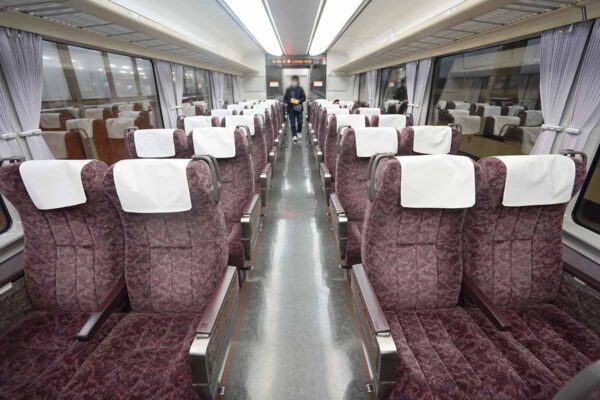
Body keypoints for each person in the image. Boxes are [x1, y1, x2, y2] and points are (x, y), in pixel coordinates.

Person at [283, 75, 306, 142]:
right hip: (291, 109)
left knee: (300, 122)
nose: (294, 82)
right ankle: (294, 135)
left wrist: (299, 101)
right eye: (293, 81)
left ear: (297, 81)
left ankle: (299, 132)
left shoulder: (300, 89)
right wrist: (289, 101)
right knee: (292, 123)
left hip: (298, 108)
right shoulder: (288, 89)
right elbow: (284, 99)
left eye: (295, 81)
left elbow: (304, 97)